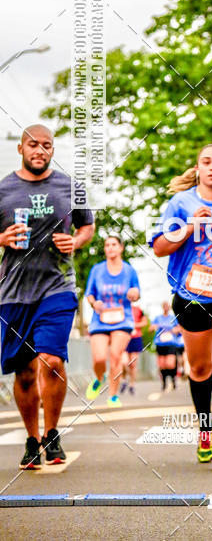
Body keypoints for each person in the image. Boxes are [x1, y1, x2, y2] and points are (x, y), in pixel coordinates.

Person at [0, 124, 95, 469]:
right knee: (24, 373)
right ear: (21, 149)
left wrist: (78, 241)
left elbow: (87, 224)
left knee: (51, 361)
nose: (39, 150)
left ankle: (52, 433)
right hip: (12, 291)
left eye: (46, 145)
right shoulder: (4, 189)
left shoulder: (70, 186)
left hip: (58, 286)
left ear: (52, 150)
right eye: (33, 144)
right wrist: (2, 239)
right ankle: (31, 438)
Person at [151, 143, 212, 464]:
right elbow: (161, 248)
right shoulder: (180, 203)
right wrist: (190, 225)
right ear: (197, 168)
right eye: (206, 162)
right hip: (190, 294)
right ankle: (205, 431)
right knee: (200, 368)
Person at [85, 234, 140, 408]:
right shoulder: (97, 270)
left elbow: (137, 292)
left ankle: (113, 396)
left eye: (114, 244)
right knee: (100, 358)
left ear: (121, 248)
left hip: (122, 319)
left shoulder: (129, 270)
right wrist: (95, 303)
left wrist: (133, 294)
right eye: (107, 245)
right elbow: (89, 294)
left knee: (116, 356)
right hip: (100, 319)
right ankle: (98, 377)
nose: (110, 248)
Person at [151, 301, 182, 391]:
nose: (166, 308)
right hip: (160, 343)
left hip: (171, 343)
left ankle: (173, 379)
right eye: (164, 306)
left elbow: (179, 328)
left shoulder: (173, 318)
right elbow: (151, 327)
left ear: (169, 307)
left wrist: (173, 330)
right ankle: (164, 382)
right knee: (162, 364)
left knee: (170, 363)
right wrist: (157, 326)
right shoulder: (157, 318)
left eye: (167, 306)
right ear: (162, 307)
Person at [121, 304, 148, 395]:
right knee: (124, 363)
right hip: (123, 337)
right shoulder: (121, 308)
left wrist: (134, 325)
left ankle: (132, 385)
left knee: (132, 364)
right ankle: (124, 380)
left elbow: (145, 322)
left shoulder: (138, 309)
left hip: (135, 338)